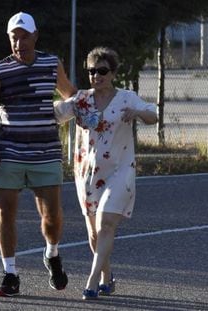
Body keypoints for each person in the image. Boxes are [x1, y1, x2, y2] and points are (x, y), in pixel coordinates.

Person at [0, 12, 77, 297]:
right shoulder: (0, 70)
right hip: (9, 151)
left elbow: (70, 94)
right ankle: (10, 274)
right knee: (5, 212)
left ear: (35, 36)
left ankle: (52, 253)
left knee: (51, 217)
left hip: (45, 152)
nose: (19, 43)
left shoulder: (50, 63)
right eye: (14, 37)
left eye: (24, 37)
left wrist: (86, 107)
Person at [54, 47, 158, 300]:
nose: (96, 76)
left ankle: (91, 282)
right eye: (92, 71)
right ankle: (106, 277)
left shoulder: (126, 98)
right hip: (87, 174)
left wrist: (138, 114)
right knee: (94, 232)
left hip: (120, 172)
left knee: (106, 223)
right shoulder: (80, 99)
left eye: (102, 71)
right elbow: (55, 115)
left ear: (113, 73)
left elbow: (153, 115)